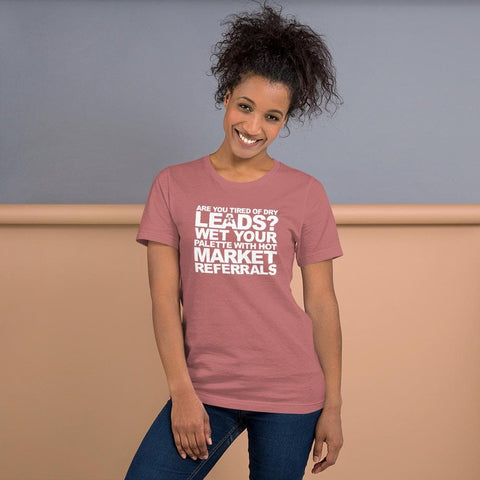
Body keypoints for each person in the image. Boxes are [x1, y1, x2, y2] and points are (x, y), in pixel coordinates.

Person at [125, 1, 344, 478]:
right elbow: (165, 298)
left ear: (285, 120)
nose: (253, 127)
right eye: (245, 107)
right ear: (226, 96)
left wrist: (333, 403)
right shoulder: (172, 184)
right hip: (206, 388)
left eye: (272, 116)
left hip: (291, 392)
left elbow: (322, 303)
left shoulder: (306, 193)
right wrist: (182, 390)